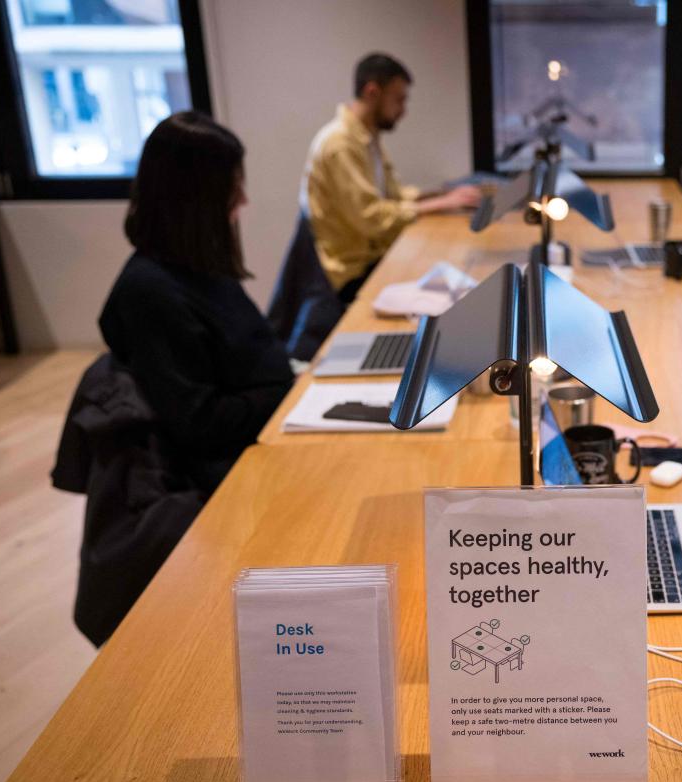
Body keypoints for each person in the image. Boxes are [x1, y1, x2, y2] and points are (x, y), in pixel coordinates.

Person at [100, 111, 293, 492]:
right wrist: (287, 395)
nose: (242, 199)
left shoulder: (198, 266)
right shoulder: (151, 293)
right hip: (229, 473)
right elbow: (200, 425)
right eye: (232, 186)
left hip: (268, 433)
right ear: (195, 197)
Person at [302, 52, 481, 304]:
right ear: (372, 92)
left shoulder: (366, 137)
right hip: (354, 275)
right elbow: (371, 217)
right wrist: (440, 204)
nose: (403, 111)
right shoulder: (340, 144)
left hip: (375, 258)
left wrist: (442, 195)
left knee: (454, 270)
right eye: (399, 100)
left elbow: (393, 194)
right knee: (452, 290)